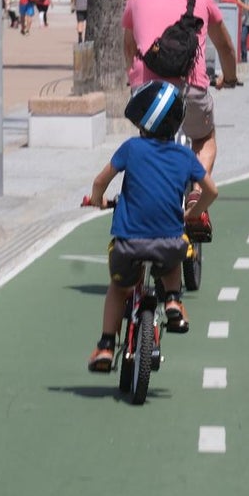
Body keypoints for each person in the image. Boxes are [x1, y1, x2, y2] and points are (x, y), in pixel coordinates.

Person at [85, 80, 218, 372]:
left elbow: (99, 182)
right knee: (171, 260)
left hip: (128, 243)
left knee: (119, 288)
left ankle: (106, 346)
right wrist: (192, 212)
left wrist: (97, 200)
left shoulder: (131, 148)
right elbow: (211, 190)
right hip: (169, 242)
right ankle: (172, 300)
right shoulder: (184, 156)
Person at [122, 0, 239, 235]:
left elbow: (128, 44)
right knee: (204, 137)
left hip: (146, 92)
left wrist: (134, 79)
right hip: (190, 87)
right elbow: (224, 46)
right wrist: (230, 77)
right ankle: (197, 192)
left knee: (149, 141)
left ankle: (144, 196)